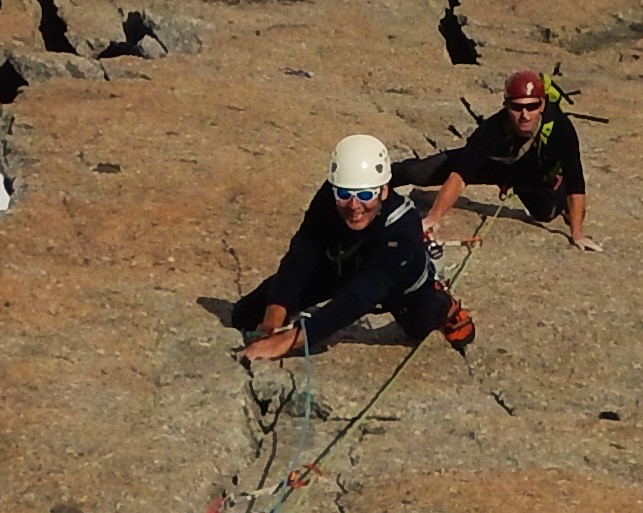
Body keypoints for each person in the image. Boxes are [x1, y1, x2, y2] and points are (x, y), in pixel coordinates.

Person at [237, 133, 473, 360]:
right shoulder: (331, 196)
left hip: (399, 287)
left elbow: (358, 298)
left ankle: (444, 306)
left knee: (419, 328)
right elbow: (302, 253)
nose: (354, 205)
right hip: (346, 266)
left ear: (384, 190)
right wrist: (272, 319)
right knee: (245, 314)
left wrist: (289, 340)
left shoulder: (403, 227)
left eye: (365, 195)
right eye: (344, 194)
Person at [397, 71, 595, 250]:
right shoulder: (491, 130)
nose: (524, 115)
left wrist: (577, 234)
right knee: (417, 172)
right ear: (506, 105)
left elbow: (576, 183)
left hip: (532, 176)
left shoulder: (561, 129)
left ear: (542, 104)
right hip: (494, 166)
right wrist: (433, 218)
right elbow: (460, 176)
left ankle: (556, 201)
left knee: (546, 213)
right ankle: (380, 181)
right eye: (517, 107)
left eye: (531, 107)